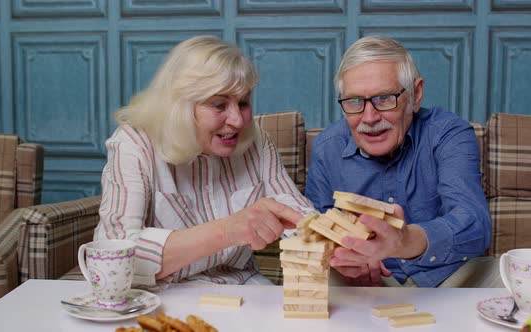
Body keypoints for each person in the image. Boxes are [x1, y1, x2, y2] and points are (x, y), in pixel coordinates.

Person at [94, 36, 313, 289]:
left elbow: (298, 215)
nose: (238, 121)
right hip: (163, 292)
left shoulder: (257, 141)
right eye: (219, 105)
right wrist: (227, 231)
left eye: (243, 103)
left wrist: (342, 243)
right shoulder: (134, 143)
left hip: (245, 286)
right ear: (181, 107)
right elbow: (115, 254)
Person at [305, 35, 497, 288]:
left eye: (384, 98)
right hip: (366, 282)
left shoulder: (449, 134)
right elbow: (316, 231)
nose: (369, 117)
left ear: (416, 94)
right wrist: (342, 258)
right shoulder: (326, 148)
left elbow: (474, 224)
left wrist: (404, 240)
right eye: (354, 102)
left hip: (447, 276)